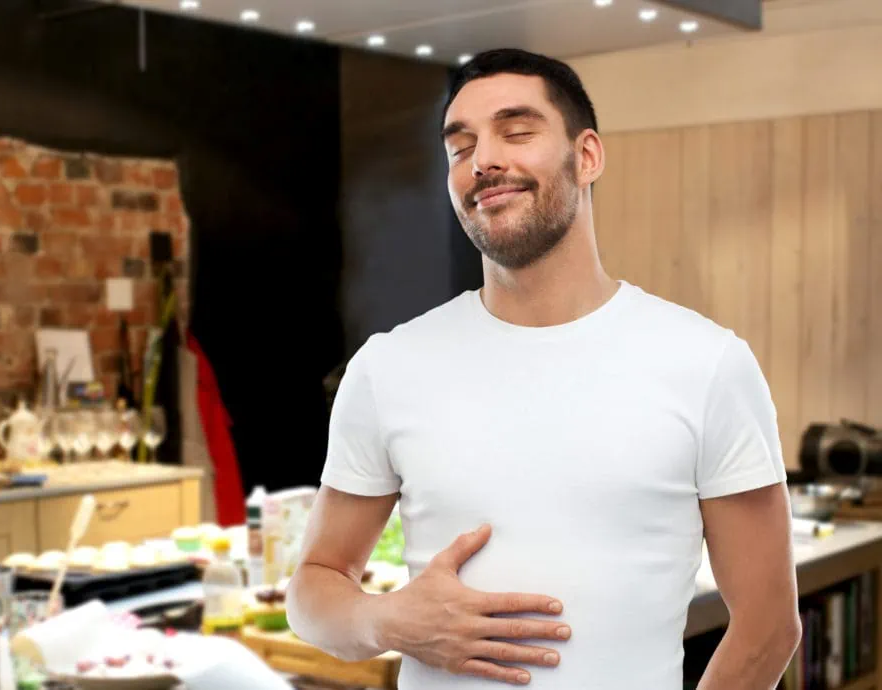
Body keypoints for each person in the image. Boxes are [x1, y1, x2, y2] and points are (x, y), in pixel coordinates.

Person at [286, 48, 800, 689]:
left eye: (517, 131)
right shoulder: (388, 366)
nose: (483, 160)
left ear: (587, 156)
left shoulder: (708, 364)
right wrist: (387, 620)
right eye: (460, 146)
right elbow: (312, 593)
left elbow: (769, 624)